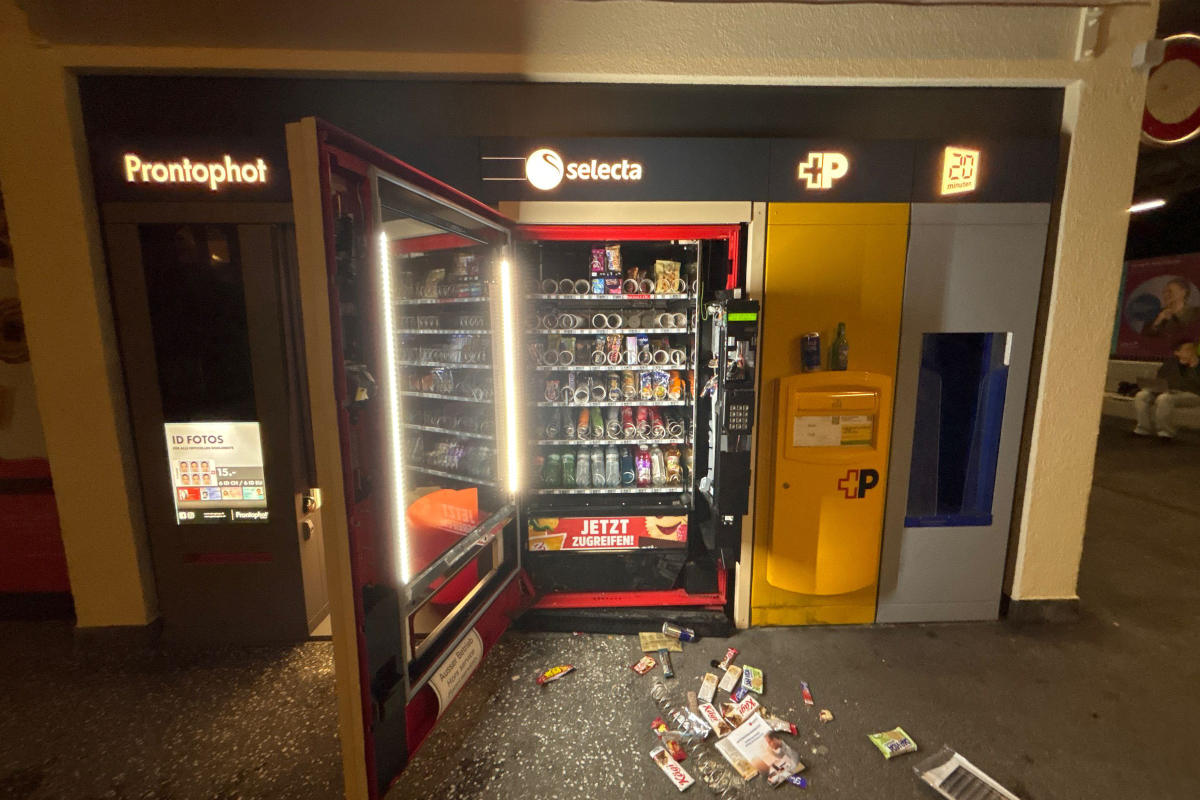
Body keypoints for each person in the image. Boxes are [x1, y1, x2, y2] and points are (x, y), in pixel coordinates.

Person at [1134, 338, 1200, 439]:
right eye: (1187, 349)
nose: (1191, 351)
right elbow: (1160, 379)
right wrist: (1155, 387)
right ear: (1177, 353)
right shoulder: (1170, 363)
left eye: (1192, 348)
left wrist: (1193, 367)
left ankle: (1165, 432)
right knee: (1141, 395)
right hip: (1168, 391)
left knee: (1164, 398)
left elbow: (1196, 385)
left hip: (1192, 394)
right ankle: (1143, 429)